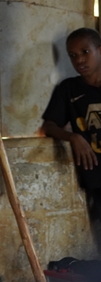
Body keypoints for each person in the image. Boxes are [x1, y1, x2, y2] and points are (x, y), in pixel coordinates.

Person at [41, 27, 101, 251]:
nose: (79, 60)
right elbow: (48, 126)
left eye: (85, 51)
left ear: (99, 50)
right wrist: (73, 137)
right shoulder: (69, 89)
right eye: (73, 55)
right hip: (96, 180)